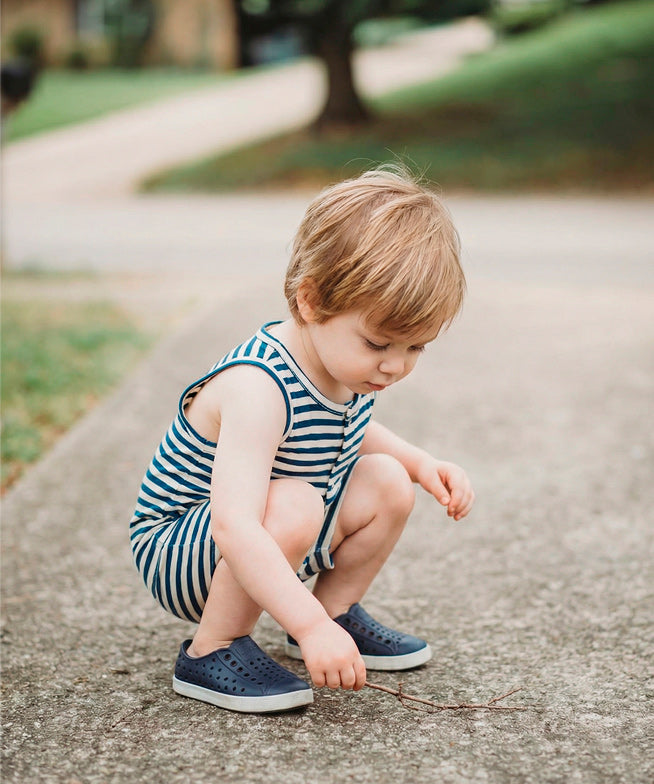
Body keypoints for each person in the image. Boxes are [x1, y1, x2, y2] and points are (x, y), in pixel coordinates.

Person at [129, 167, 474, 714]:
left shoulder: (344, 365)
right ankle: (211, 648)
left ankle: (335, 613)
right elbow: (233, 522)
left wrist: (418, 461)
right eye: (379, 342)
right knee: (295, 501)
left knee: (388, 480)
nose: (393, 366)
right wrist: (307, 626)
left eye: (415, 349)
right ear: (310, 301)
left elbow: (348, 430)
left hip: (273, 533)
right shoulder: (259, 386)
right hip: (186, 549)